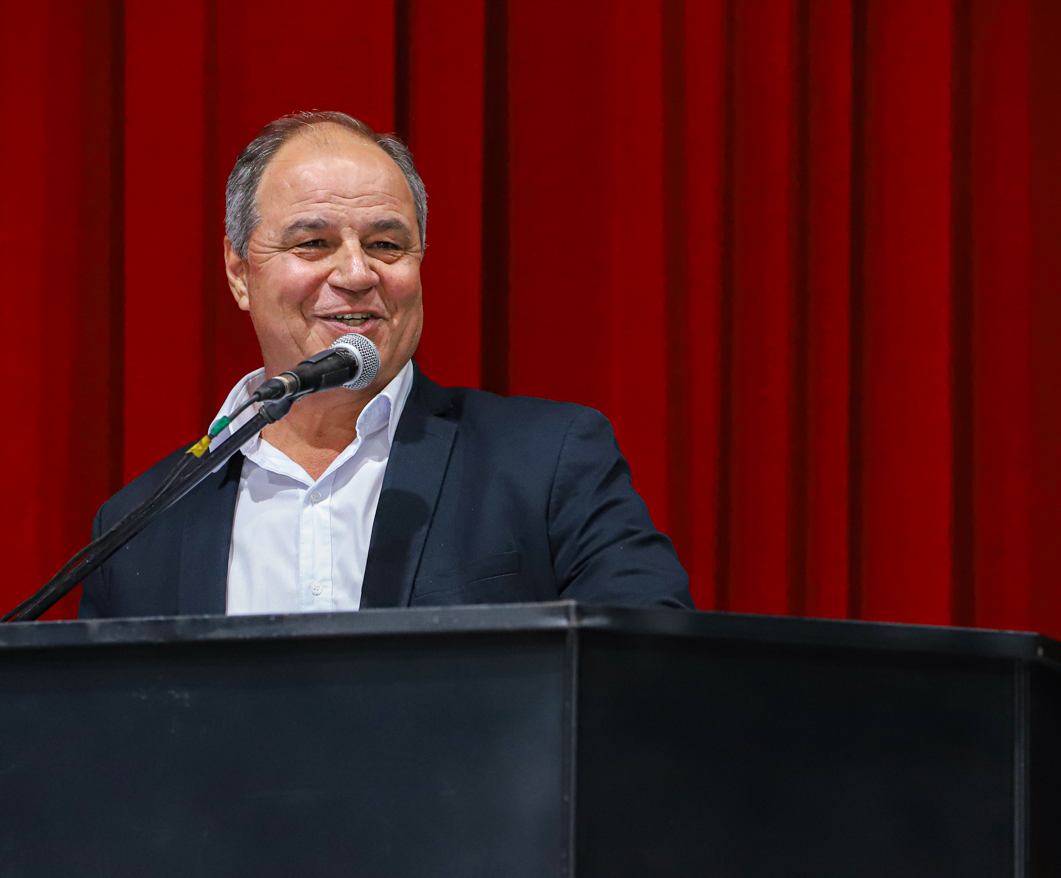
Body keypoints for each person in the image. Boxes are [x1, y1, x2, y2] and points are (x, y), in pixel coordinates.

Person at [79, 111, 691, 618]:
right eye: (313, 243)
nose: (355, 273)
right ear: (240, 272)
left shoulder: (545, 461)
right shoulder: (141, 525)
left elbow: (653, 664)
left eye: (386, 245)